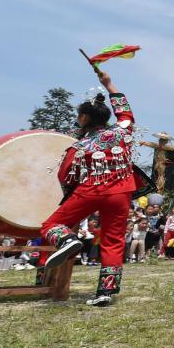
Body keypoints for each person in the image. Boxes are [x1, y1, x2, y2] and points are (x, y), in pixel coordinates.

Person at [38, 68, 145, 306]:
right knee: (113, 240)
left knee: (50, 225)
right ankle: (104, 292)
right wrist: (109, 83)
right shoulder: (122, 130)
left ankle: (67, 241)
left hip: (91, 190)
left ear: (84, 118)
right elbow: (124, 110)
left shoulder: (79, 146)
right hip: (121, 192)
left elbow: (65, 175)